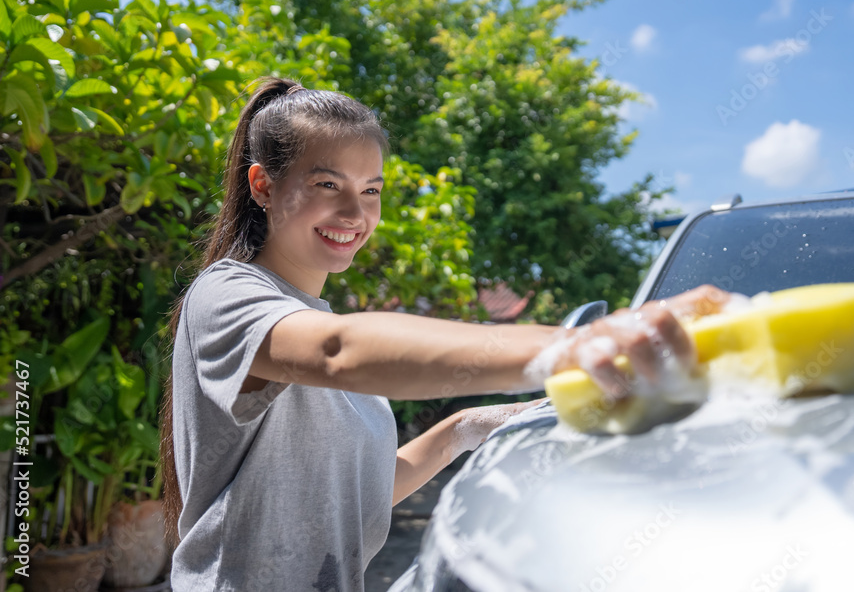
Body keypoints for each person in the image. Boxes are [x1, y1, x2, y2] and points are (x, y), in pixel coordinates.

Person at [159, 77, 729, 591]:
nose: (356, 212)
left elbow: (354, 501)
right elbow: (338, 352)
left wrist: (466, 427)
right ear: (262, 185)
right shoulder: (227, 295)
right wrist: (576, 343)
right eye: (328, 183)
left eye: (372, 190)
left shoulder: (314, 316)